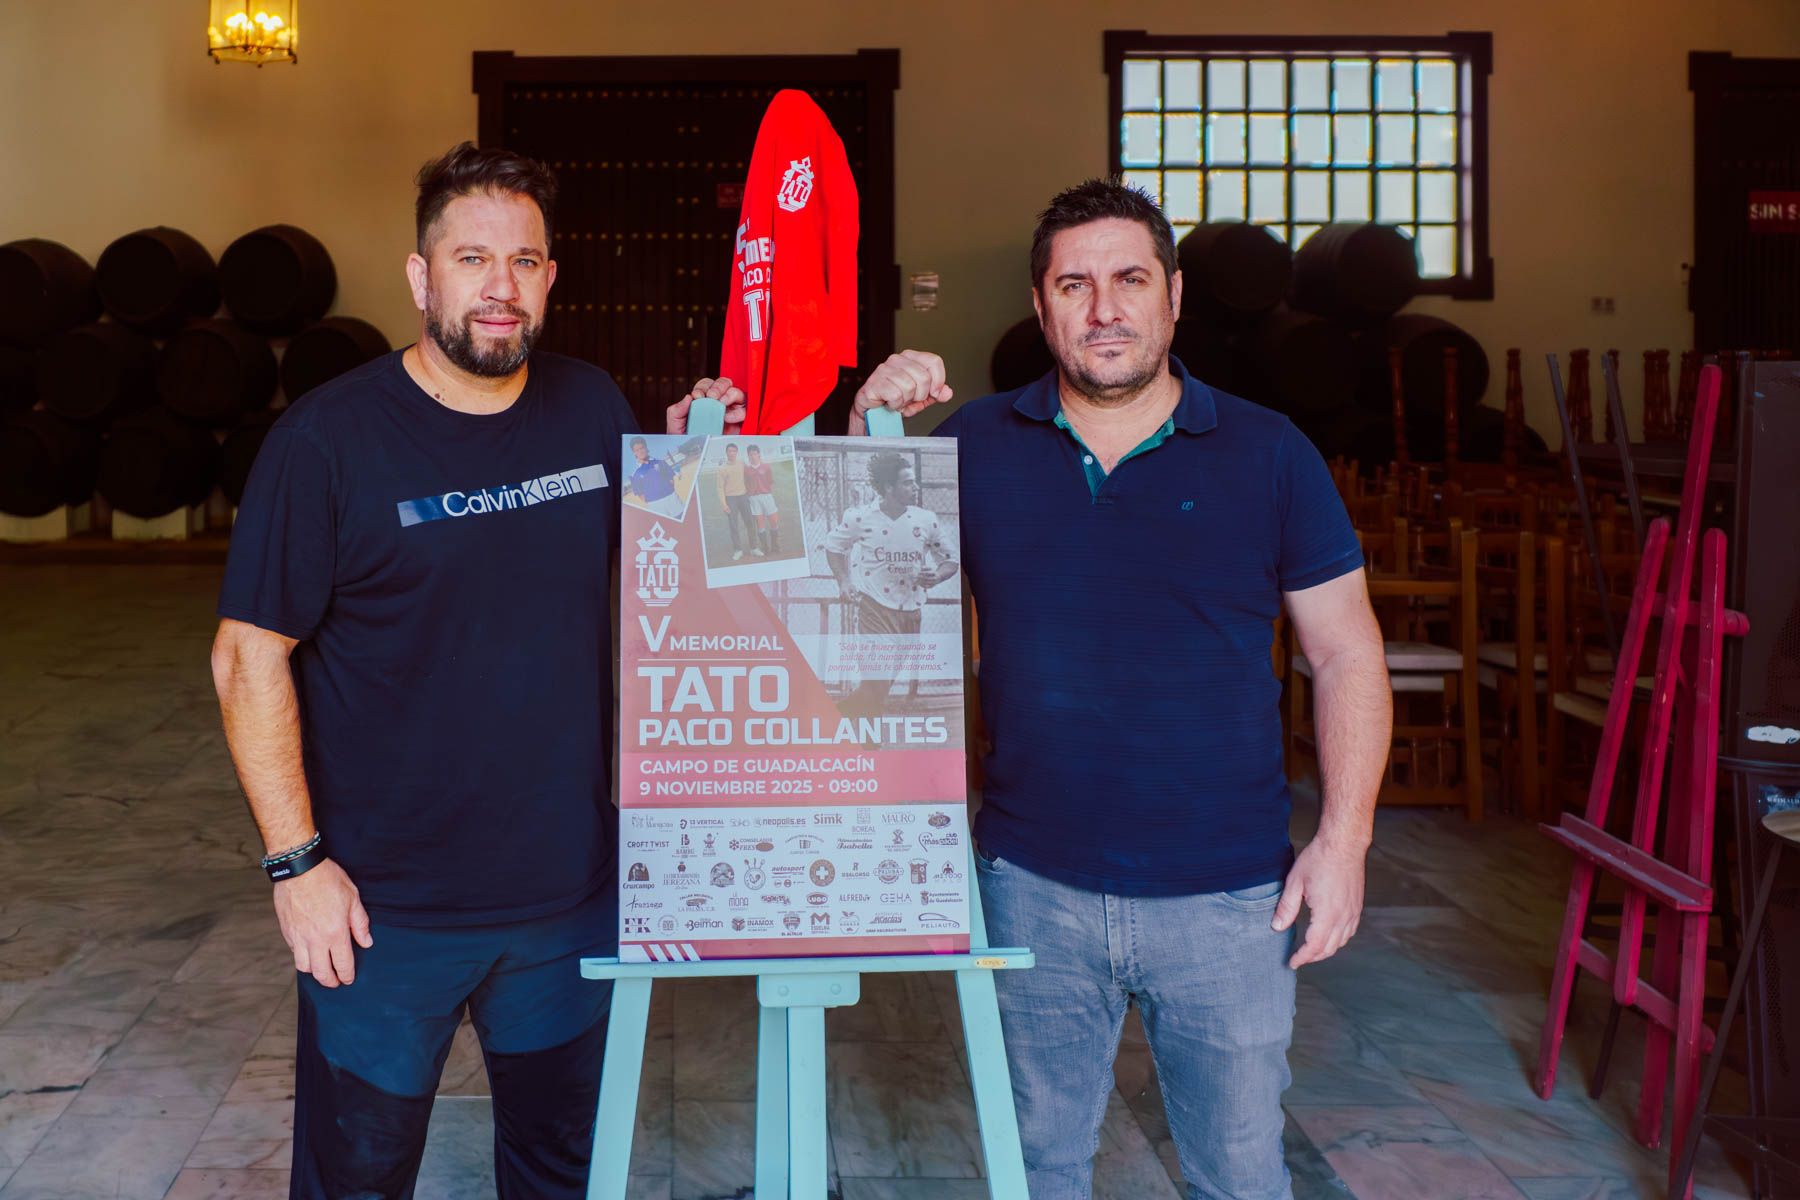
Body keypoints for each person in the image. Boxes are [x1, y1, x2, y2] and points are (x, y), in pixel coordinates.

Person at [668, 178, 1389, 1200]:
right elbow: (826, 598)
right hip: (1031, 886)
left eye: (1129, 279)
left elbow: (1349, 653)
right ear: (1042, 307)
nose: (1104, 308)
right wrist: (789, 445)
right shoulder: (971, 449)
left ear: (1174, 296)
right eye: (1075, 284)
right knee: (1038, 1172)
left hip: (1228, 898)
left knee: (1238, 1174)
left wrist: (1345, 838)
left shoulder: (1270, 453)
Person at [210, 141, 742, 1200]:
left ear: (550, 279)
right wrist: (295, 865)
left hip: (566, 899)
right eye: (471, 258)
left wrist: (697, 458)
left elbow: (682, 579)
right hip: (382, 914)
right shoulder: (328, 441)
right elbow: (245, 655)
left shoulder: (593, 407)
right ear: (421, 277)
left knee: (558, 1176)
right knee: (355, 1177)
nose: (499, 287)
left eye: (525, 261)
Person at [820, 451, 958, 720]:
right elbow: (833, 546)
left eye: (914, 481)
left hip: (911, 611)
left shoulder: (925, 520)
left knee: (883, 682)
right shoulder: (861, 517)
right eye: (907, 482)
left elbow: (950, 560)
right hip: (874, 608)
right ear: (888, 488)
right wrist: (844, 581)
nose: (915, 487)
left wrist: (936, 576)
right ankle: (868, 743)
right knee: (877, 676)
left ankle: (837, 718)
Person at [715, 441, 760, 559]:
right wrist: (724, 504)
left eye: (734, 451)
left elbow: (751, 472)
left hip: (743, 496)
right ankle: (738, 550)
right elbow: (719, 488)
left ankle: (754, 548)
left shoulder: (741, 463)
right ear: (726, 453)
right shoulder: (722, 469)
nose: (732, 453)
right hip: (730, 499)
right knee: (733, 525)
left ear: (737, 452)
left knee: (750, 522)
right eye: (730, 451)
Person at [626, 434, 685, 517]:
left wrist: (668, 490)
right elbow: (640, 494)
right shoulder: (634, 475)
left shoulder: (661, 462)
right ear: (634, 453)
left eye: (642, 448)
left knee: (684, 521)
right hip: (655, 505)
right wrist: (653, 501)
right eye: (637, 450)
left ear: (646, 448)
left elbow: (671, 479)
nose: (641, 451)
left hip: (672, 499)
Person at [743, 444, 781, 553]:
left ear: (758, 454)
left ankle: (775, 545)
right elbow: (745, 484)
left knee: (773, 521)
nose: (752, 456)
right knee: (760, 523)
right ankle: (765, 547)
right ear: (748, 456)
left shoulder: (766, 467)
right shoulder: (746, 470)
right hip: (754, 499)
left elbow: (770, 481)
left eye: (754, 454)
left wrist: (766, 490)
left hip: (767, 496)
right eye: (750, 454)